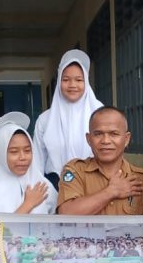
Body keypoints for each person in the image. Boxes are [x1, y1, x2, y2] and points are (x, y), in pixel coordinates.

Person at [58, 106, 143, 215]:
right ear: (89, 139)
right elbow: (66, 213)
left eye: (114, 134)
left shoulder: (141, 180)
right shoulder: (76, 171)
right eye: (98, 134)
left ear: (126, 139)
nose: (106, 141)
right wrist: (111, 191)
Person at [35, 49, 104, 183]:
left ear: (86, 82)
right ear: (59, 81)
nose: (72, 85)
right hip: (55, 185)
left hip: (94, 182)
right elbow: (38, 160)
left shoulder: (100, 113)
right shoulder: (45, 120)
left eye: (79, 80)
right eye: (66, 79)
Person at [0, 112, 57, 214]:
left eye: (27, 150)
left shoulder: (42, 186)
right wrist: (28, 205)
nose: (23, 157)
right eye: (14, 152)